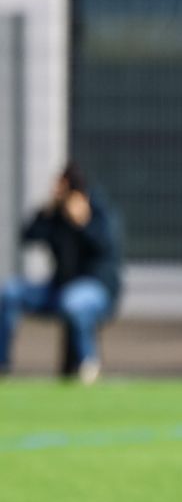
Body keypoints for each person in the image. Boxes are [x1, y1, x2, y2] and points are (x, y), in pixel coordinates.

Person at [1, 165, 122, 384]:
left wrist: (83, 223)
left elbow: (107, 247)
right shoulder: (56, 215)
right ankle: (2, 364)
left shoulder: (98, 211)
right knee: (11, 292)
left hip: (96, 289)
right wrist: (47, 212)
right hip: (58, 289)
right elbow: (28, 235)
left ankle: (88, 366)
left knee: (74, 302)